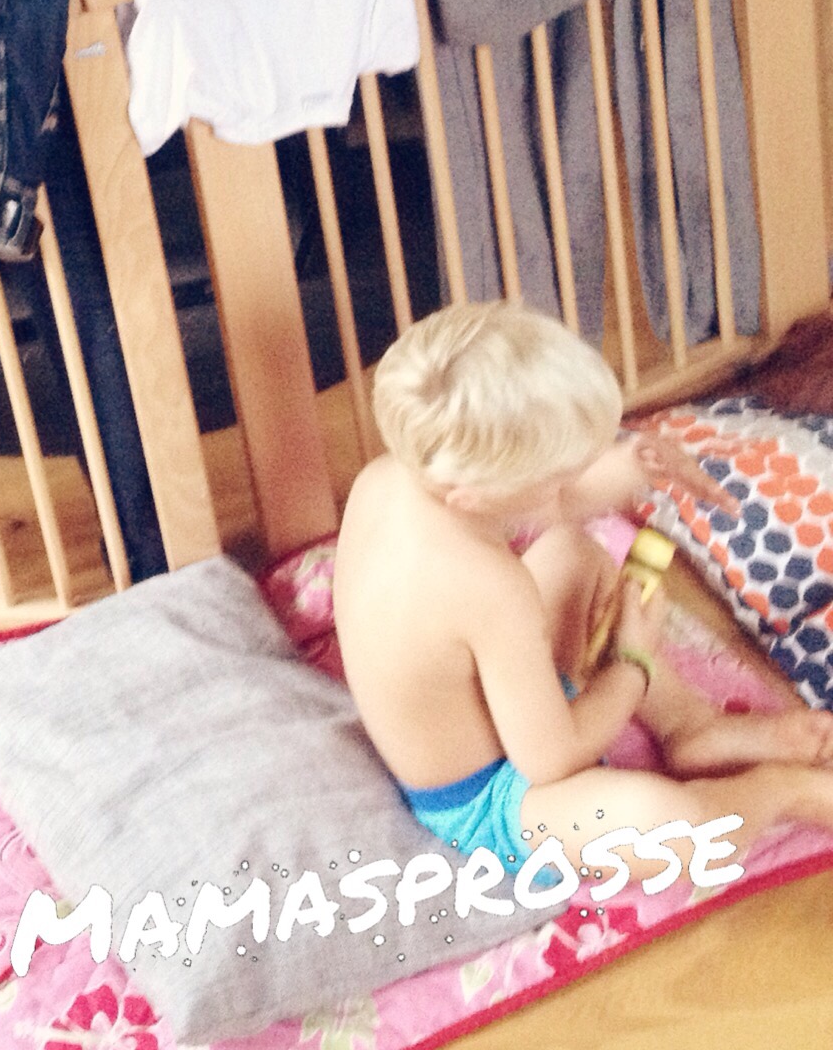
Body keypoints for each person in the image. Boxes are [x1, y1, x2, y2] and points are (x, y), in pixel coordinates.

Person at [332, 301, 833, 890]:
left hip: (513, 706)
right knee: (676, 834)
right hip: (493, 799)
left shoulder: (390, 477)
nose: (570, 490)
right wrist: (632, 662)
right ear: (471, 493)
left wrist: (635, 463)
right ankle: (781, 791)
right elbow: (552, 760)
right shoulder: (489, 587)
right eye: (557, 479)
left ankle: (690, 726)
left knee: (572, 549)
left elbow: (550, 508)